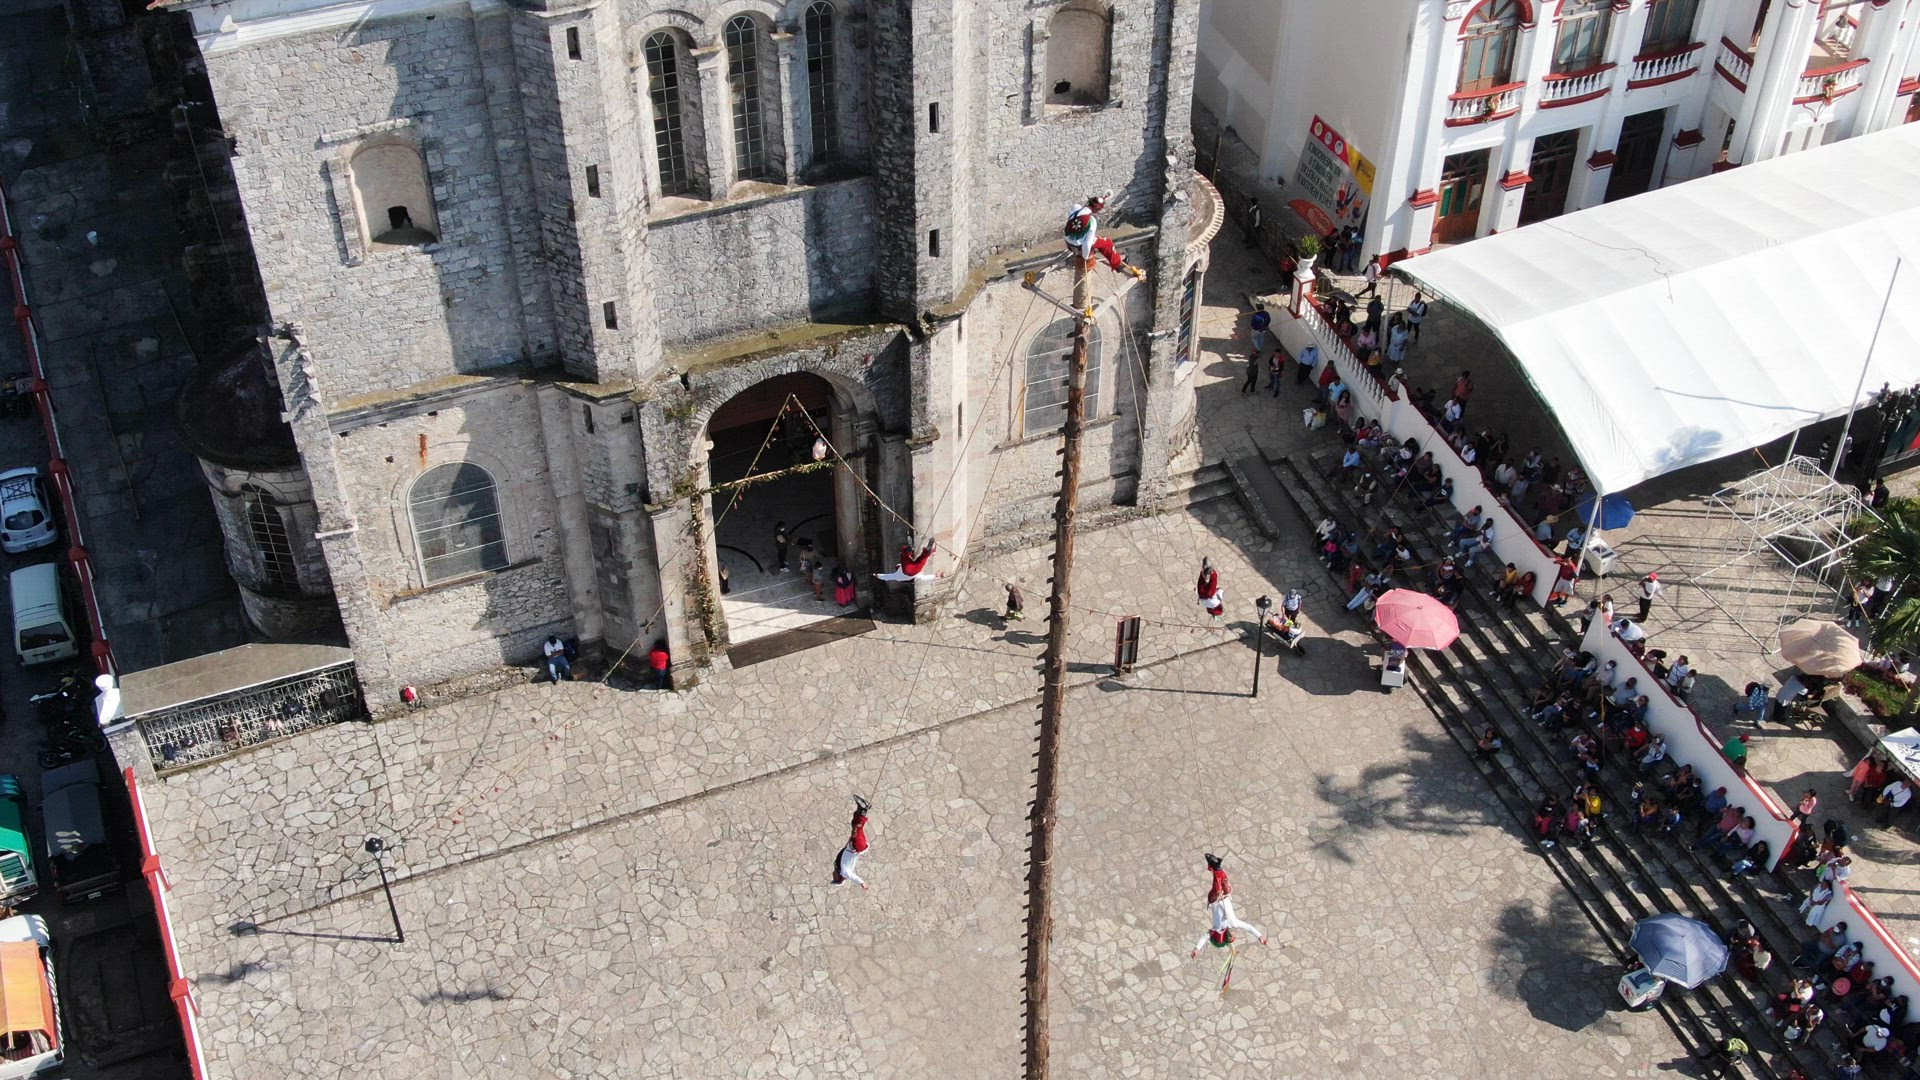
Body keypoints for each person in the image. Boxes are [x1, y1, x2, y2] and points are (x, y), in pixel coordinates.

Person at [1189, 853, 1268, 958]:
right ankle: (1217, 866)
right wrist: (1260, 936)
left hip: (1214, 899)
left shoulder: (1216, 928)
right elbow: (1248, 928)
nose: (1233, 934)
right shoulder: (1235, 923)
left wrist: (1197, 948)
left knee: (1217, 888)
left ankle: (1215, 866)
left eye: (1230, 936)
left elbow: (1205, 937)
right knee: (1225, 883)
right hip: (1225, 895)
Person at [830, 795, 874, 889]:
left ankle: (861, 809)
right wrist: (861, 883)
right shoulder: (844, 873)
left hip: (854, 845)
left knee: (854, 824)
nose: (833, 876)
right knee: (857, 827)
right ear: (840, 879)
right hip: (857, 846)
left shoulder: (838, 866)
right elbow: (852, 876)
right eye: (835, 878)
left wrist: (850, 839)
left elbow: (844, 851)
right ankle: (864, 808)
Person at [1196, 557, 1224, 622]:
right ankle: (1203, 571)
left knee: (1213, 580)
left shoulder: (1217, 602)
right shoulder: (1206, 605)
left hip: (1210, 594)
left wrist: (1219, 589)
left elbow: (1220, 591)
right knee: (1201, 580)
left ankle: (1212, 572)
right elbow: (1199, 600)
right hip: (1201, 594)